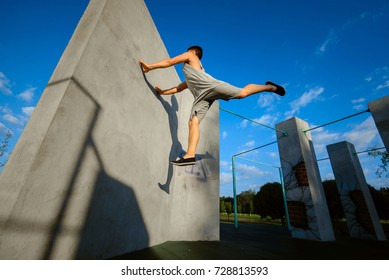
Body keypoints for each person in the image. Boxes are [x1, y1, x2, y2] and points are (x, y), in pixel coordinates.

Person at [139, 46, 285, 166]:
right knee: (193, 122)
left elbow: (170, 62)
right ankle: (190, 155)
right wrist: (162, 91)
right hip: (202, 97)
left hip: (211, 86)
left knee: (242, 93)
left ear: (192, 52)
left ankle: (270, 87)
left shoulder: (191, 56)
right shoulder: (191, 77)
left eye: (188, 51)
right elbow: (178, 88)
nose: (185, 54)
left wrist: (149, 67)